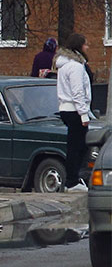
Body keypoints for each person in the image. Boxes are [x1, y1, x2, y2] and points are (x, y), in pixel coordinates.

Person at [54, 33, 92, 191]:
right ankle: (72, 181)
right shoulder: (75, 66)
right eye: (85, 44)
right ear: (79, 47)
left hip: (67, 109)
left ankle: (73, 179)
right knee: (78, 147)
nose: (87, 47)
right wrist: (84, 114)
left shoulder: (65, 65)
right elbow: (77, 92)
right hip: (75, 110)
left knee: (75, 145)